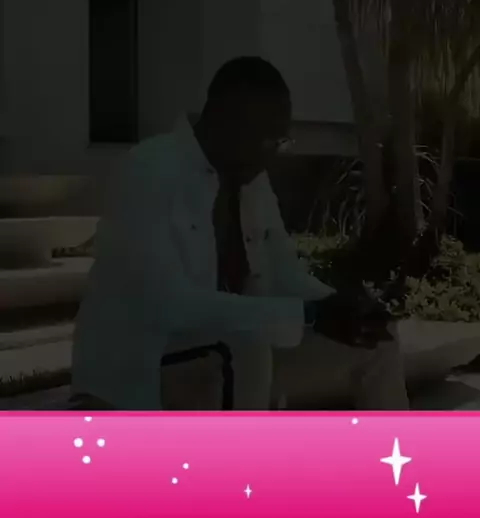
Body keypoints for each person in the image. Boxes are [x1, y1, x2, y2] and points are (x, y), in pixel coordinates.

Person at [71, 57, 409, 411]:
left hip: (227, 361)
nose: (275, 153)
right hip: (143, 371)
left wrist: (339, 306)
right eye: (269, 139)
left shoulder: (252, 181)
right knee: (247, 343)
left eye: (281, 140)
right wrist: (308, 315)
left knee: (376, 343)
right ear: (225, 121)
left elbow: (284, 275)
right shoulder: (149, 171)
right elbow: (170, 307)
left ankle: (399, 449)